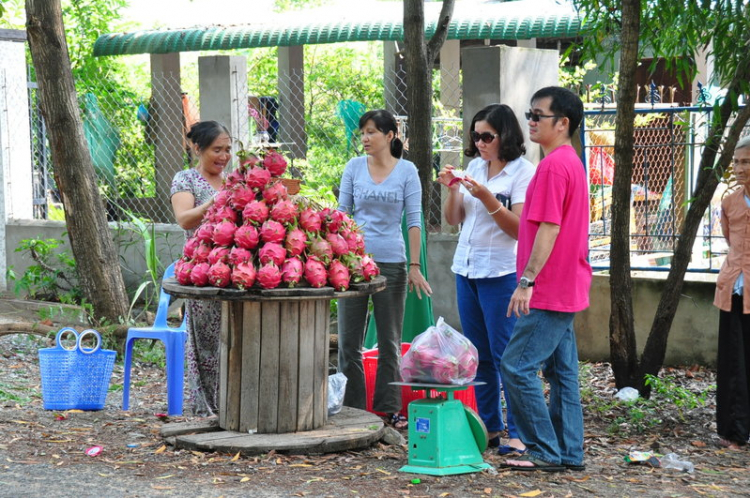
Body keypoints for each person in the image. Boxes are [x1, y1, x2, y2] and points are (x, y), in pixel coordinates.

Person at [500, 87, 591, 472]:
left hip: (550, 288)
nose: (531, 121)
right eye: (530, 114)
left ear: (563, 123)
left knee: (516, 366)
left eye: (539, 115)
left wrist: (527, 280)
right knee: (562, 373)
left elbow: (549, 228)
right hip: (566, 285)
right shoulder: (569, 162)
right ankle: (569, 453)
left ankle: (544, 450)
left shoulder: (555, 166)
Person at [438, 104, 534, 453]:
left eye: (487, 136)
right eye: (475, 136)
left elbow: (520, 230)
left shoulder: (523, 173)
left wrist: (488, 198)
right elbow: (454, 219)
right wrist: (452, 189)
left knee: (508, 354)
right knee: (479, 356)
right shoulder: (475, 167)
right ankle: (490, 428)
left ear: (505, 136)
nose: (480, 143)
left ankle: (519, 433)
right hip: (467, 270)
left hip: (501, 272)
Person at [337, 109, 433, 429]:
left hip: (392, 263)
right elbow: (343, 215)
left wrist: (416, 266)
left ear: (390, 136)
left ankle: (389, 410)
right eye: (362, 132)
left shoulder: (407, 171)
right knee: (349, 341)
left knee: (390, 341)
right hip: (353, 264)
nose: (364, 138)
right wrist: (340, 257)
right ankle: (353, 411)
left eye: (371, 132)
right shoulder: (353, 167)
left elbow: (415, 220)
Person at [170, 120, 232, 417]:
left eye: (228, 150)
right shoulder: (185, 179)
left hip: (236, 273)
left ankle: (236, 405)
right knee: (207, 343)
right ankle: (207, 410)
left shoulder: (233, 182)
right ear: (197, 148)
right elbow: (184, 220)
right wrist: (214, 202)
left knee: (235, 341)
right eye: (217, 150)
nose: (224, 156)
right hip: (203, 272)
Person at [713, 135, 750, 450]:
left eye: (746, 162)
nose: (739, 168)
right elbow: (729, 238)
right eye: (737, 162)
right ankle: (734, 433)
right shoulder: (729, 201)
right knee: (733, 363)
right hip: (734, 290)